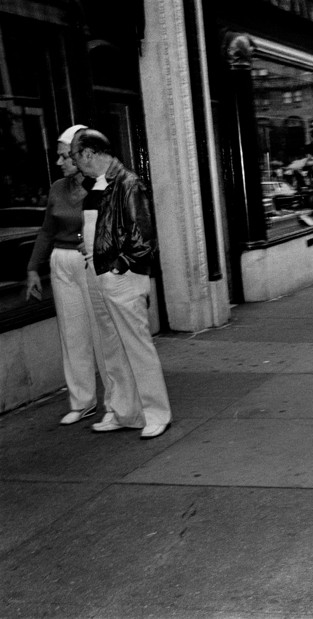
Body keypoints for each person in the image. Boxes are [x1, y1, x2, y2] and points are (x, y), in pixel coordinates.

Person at [69, 128, 172, 439]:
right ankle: (124, 412)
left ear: (88, 154)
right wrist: (90, 247)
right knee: (111, 348)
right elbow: (105, 229)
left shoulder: (128, 182)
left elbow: (145, 237)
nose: (74, 162)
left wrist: (118, 267)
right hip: (96, 272)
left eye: (75, 156)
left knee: (136, 347)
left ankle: (156, 413)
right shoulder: (93, 185)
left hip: (120, 276)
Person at [24, 124, 126, 426]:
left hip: (90, 261)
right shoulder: (58, 188)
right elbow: (46, 230)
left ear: (79, 154)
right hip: (61, 262)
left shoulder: (101, 185)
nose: (59, 162)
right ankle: (82, 401)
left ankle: (115, 402)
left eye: (63, 156)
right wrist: (33, 267)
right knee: (72, 334)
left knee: (102, 334)